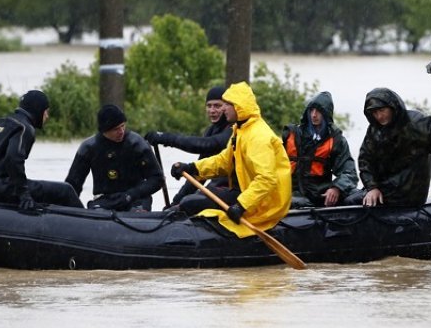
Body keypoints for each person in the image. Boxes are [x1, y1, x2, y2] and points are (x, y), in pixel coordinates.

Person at [169, 81, 291, 237]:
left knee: (191, 202)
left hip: (262, 202)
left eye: (227, 104)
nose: (223, 108)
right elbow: (223, 162)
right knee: (195, 198)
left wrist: (241, 206)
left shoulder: (258, 136)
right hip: (245, 193)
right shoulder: (240, 130)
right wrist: (191, 167)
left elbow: (266, 179)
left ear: (239, 106)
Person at [347, 87, 431, 208]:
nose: (379, 116)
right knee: (348, 200)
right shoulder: (375, 130)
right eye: (374, 113)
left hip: (408, 192)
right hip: (386, 188)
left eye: (382, 110)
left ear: (393, 107)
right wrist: (372, 187)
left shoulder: (417, 124)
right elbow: (365, 160)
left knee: (352, 202)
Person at [0, 90, 83, 209]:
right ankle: (92, 222)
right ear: (38, 110)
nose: (47, 116)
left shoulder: (0, 123)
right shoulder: (24, 128)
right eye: (46, 111)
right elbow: (13, 159)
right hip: (1, 189)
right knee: (65, 190)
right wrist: (24, 195)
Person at [144, 85, 232, 209]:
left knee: (192, 202)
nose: (212, 110)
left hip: (235, 193)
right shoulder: (211, 130)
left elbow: (208, 145)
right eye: (209, 106)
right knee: (185, 202)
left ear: (228, 107)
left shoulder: (234, 129)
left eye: (217, 106)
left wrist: (166, 138)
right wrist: (176, 203)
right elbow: (199, 175)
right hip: (219, 189)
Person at [65, 104, 163, 211]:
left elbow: (157, 179)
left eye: (123, 126)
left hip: (136, 199)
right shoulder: (89, 147)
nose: (121, 132)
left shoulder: (137, 144)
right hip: (106, 200)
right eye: (116, 129)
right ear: (104, 131)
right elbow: (73, 186)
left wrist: (130, 195)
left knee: (136, 211)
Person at [282, 91, 360, 207]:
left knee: (357, 196)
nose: (314, 115)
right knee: (299, 202)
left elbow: (349, 172)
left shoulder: (336, 140)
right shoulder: (291, 135)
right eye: (311, 110)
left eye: (318, 111)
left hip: (321, 195)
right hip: (293, 195)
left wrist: (336, 188)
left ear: (326, 114)